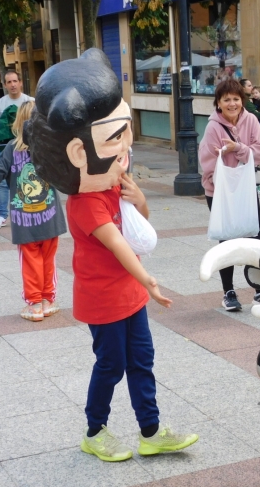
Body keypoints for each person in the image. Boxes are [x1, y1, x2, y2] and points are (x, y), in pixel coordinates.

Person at [28, 48, 198, 462]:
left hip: (130, 294)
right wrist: (150, 281)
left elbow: (135, 228)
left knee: (142, 359)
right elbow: (117, 245)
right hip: (104, 297)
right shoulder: (84, 203)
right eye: (114, 137)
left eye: (126, 133)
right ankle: (94, 430)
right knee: (111, 365)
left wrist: (140, 199)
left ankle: (151, 430)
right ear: (78, 153)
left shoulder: (110, 184)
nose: (126, 146)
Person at [0, 101, 67, 321]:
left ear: (19, 123)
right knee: (48, 259)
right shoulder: (50, 147)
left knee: (30, 260)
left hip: (24, 219)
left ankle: (34, 305)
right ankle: (47, 301)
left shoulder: (12, 147)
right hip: (50, 216)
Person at [199, 79, 260, 311]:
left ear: (243, 100)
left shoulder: (251, 120)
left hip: (246, 190)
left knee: (255, 237)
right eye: (226, 99)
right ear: (218, 102)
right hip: (220, 193)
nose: (232, 103)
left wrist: (237, 149)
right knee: (226, 239)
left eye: (236, 99)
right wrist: (221, 186)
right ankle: (228, 291)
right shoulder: (213, 127)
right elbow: (207, 163)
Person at [0, 71, 34, 229]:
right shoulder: (0, 103)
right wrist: (9, 127)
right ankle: (2, 215)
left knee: (28, 178)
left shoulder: (30, 101)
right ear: (5, 85)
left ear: (20, 82)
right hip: (6, 147)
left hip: (28, 148)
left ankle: (29, 210)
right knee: (2, 182)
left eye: (15, 81)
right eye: (9, 82)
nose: (13, 84)